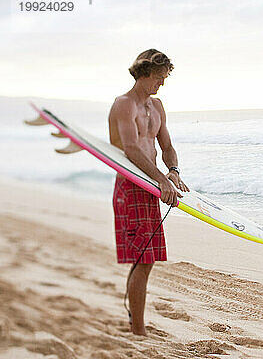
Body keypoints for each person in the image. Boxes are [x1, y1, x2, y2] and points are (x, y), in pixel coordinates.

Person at [108, 48, 190, 336]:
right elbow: (130, 148)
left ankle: (136, 323)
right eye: (158, 77)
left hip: (152, 185)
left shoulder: (157, 107)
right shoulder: (124, 104)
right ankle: (138, 330)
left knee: (146, 257)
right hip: (131, 185)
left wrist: (173, 172)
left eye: (165, 77)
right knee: (144, 258)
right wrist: (161, 180)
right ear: (143, 73)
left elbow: (166, 146)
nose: (162, 83)